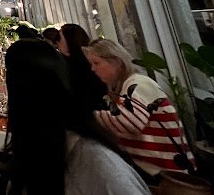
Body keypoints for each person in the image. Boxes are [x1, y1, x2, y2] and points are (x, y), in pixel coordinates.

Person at [5, 39, 150, 195]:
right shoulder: (44, 146)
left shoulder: (98, 163)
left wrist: (93, 115)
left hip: (149, 166)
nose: (93, 68)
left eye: (96, 63)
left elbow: (133, 122)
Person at [84, 39, 196, 180]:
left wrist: (90, 117)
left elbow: (130, 122)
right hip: (160, 170)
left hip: (167, 174)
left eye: (96, 63)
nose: (93, 69)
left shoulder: (137, 83)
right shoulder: (127, 85)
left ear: (117, 62)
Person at [58, 23, 107, 112]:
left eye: (59, 38)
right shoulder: (77, 62)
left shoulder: (84, 64)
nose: (57, 42)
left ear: (70, 41)